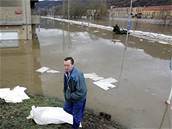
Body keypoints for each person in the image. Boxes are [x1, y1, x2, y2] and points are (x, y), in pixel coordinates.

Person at [63, 57, 87, 129]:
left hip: (79, 99)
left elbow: (82, 92)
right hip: (71, 96)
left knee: (76, 117)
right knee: (66, 108)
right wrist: (65, 93)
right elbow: (66, 85)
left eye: (68, 65)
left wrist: (70, 95)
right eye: (64, 65)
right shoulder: (66, 73)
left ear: (72, 65)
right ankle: (78, 115)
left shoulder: (77, 76)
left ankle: (75, 126)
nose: (66, 67)